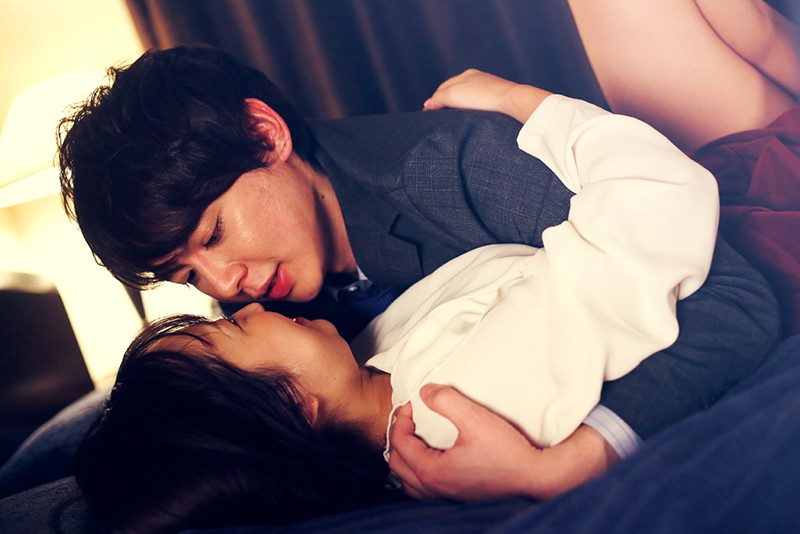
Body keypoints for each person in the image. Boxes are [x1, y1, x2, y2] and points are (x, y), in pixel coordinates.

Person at [57, 45, 778, 496]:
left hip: (747, 190)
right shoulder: (274, 333)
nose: (224, 286)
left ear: (263, 135)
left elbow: (735, 299)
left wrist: (579, 463)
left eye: (214, 234)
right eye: (187, 276)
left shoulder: (450, 169)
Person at [388, 0, 800, 502]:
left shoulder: (378, 352)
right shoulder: (421, 412)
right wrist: (519, 100)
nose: (302, 313)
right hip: (728, 222)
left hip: (706, 201)